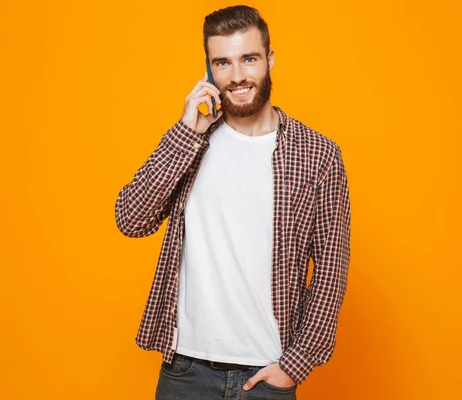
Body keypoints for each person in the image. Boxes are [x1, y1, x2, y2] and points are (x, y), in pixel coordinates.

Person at [115, 5, 351, 399]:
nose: (237, 76)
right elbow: (131, 218)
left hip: (267, 376)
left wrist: (296, 365)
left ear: (270, 60)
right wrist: (186, 131)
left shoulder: (317, 154)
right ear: (208, 69)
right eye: (222, 62)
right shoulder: (192, 143)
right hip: (185, 372)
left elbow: (330, 270)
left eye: (249, 59)